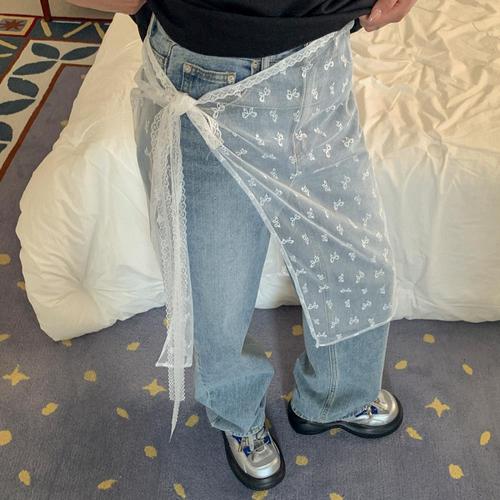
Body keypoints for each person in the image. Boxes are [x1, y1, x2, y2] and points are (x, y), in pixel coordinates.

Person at [67, 0, 417, 492]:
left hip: (320, 62)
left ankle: (337, 396)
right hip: (210, 75)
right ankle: (238, 415)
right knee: (218, 288)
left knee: (356, 263)